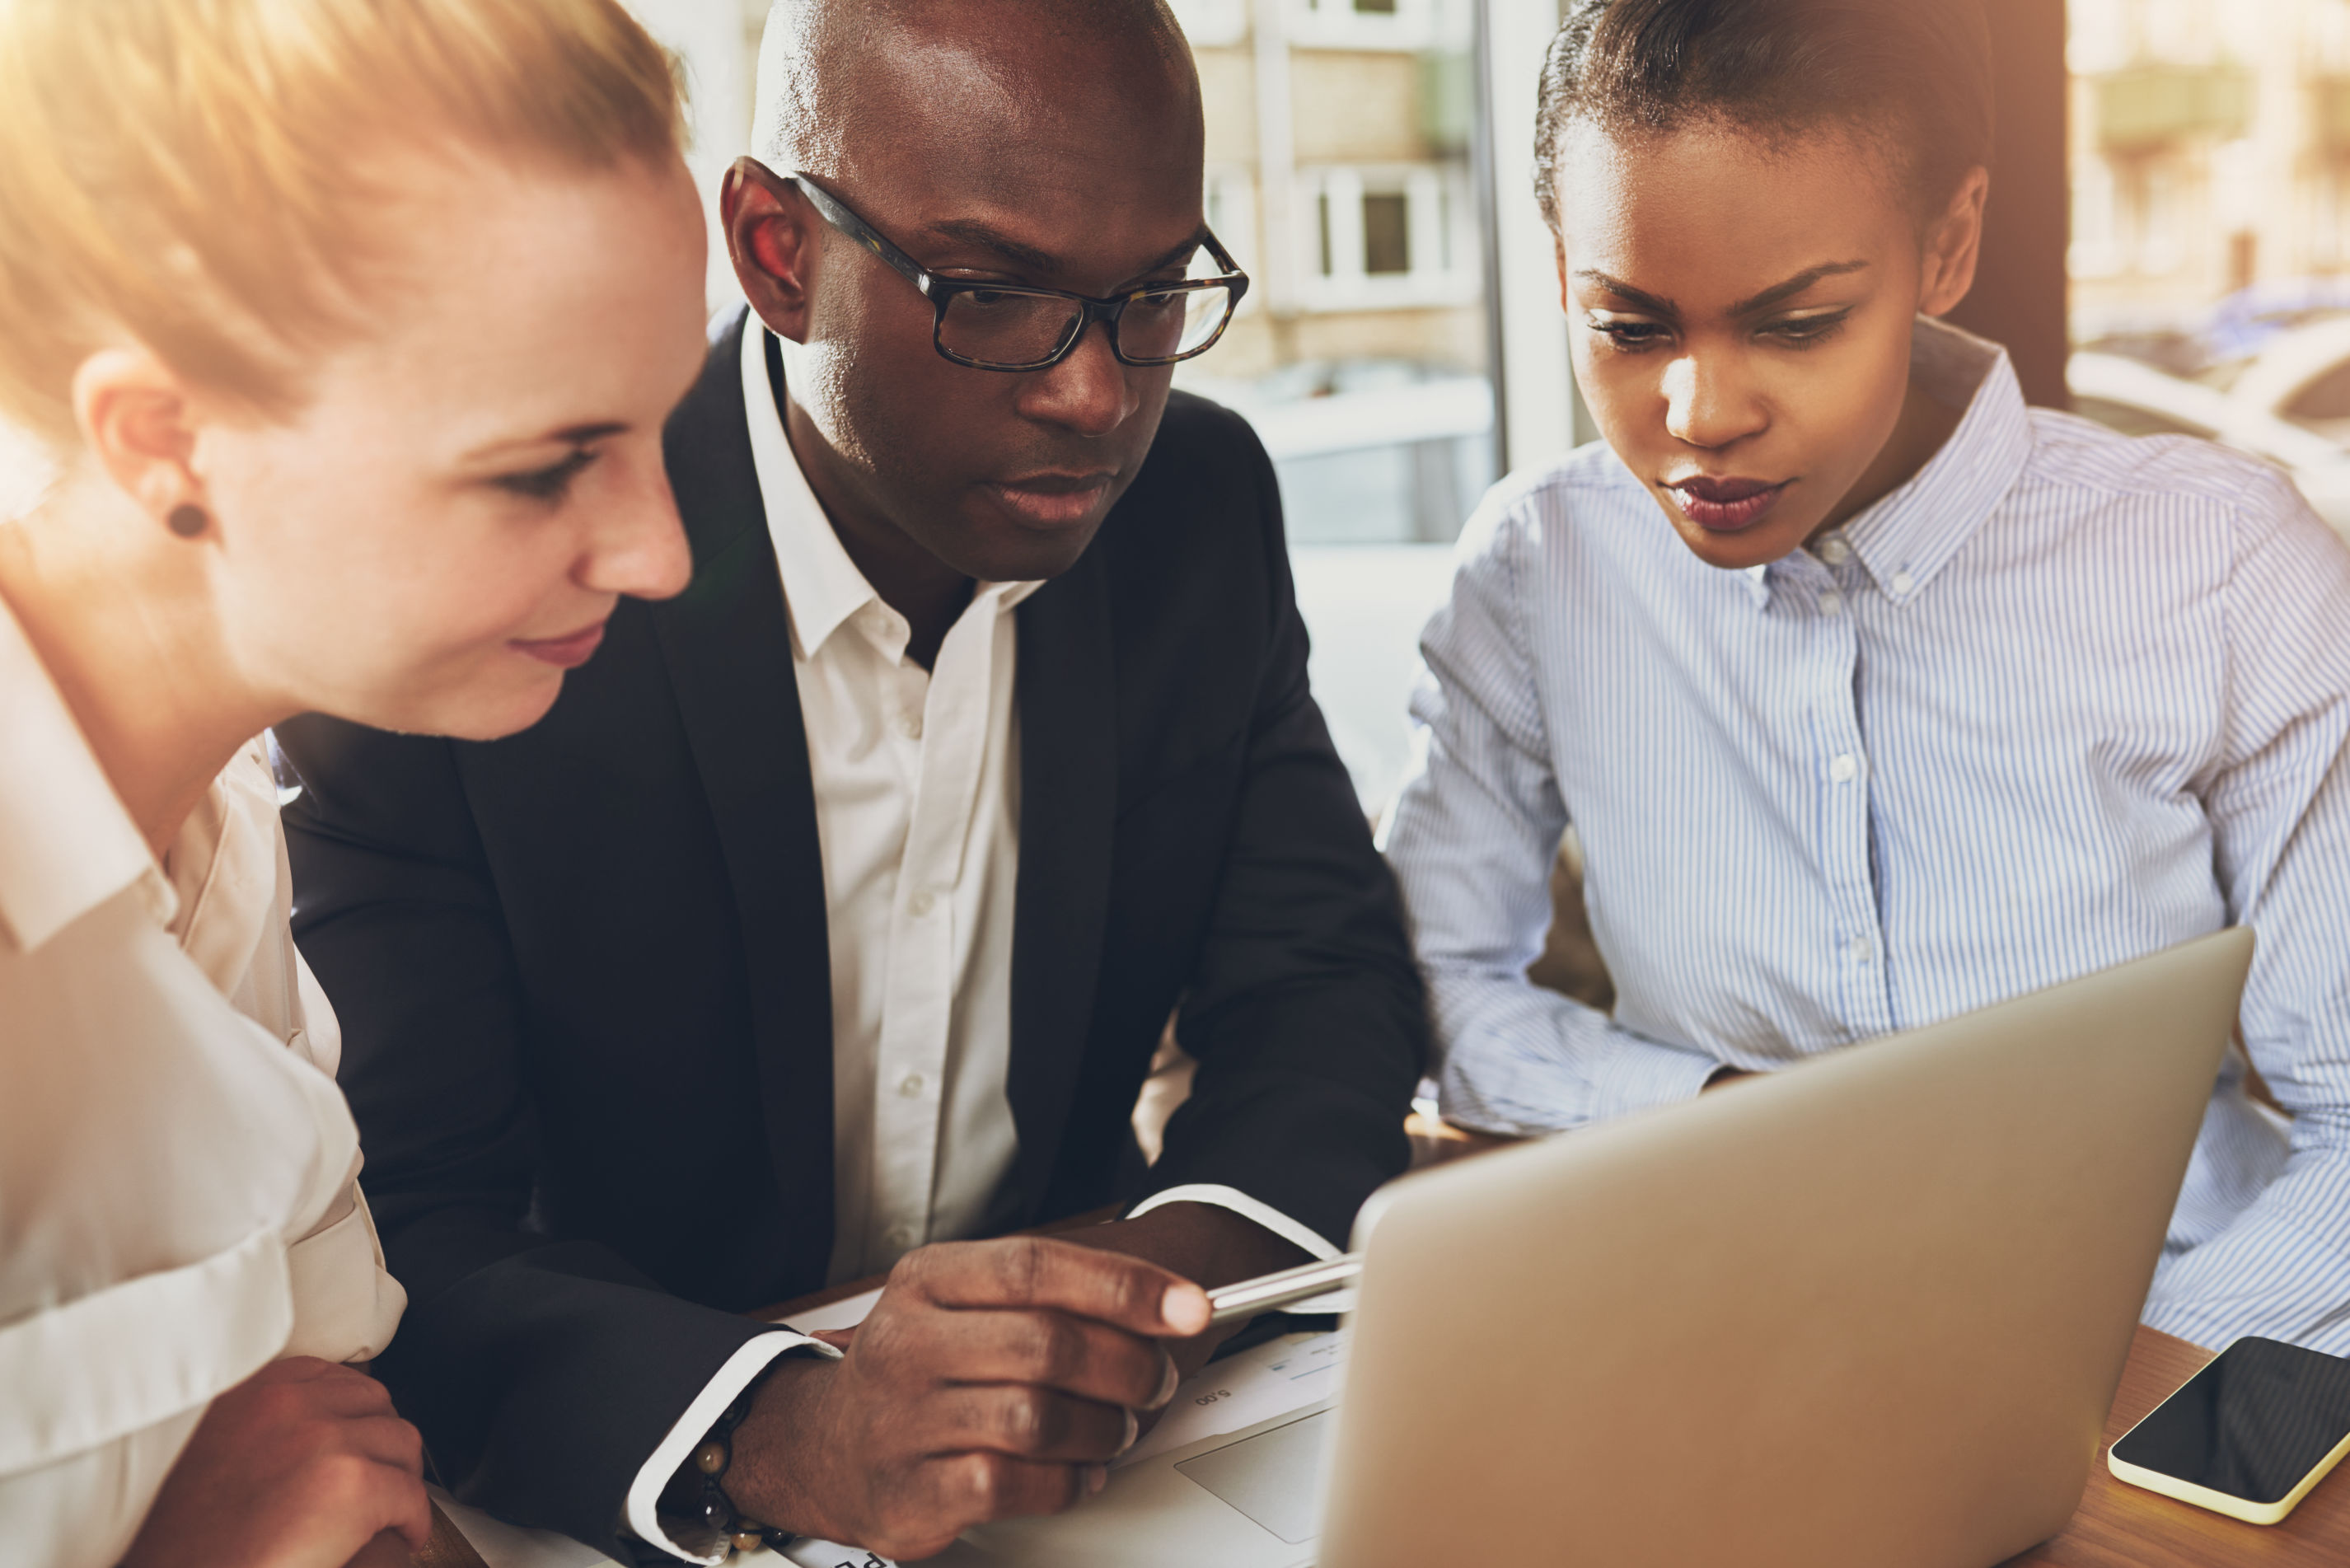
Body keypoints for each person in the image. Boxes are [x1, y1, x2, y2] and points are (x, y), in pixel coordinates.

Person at [273, 0, 1428, 1561]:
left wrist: (1163, 1286)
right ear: (772, 248)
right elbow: (396, 1222)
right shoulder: (501, 578)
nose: (1097, 394)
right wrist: (772, 1423)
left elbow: (1321, 985)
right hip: (620, 1489)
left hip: (1115, 1471)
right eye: (998, 294)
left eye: (1153, 292)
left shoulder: (1198, 503)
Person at [1385, 0, 2350, 1357]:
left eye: (1798, 324)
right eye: (1629, 325)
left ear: (1947, 245)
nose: (1703, 417)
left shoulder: (2226, 564)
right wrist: (1739, 1120)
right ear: (1559, 271)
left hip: (2167, 1332)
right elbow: (1427, 983)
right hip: (1724, 1328)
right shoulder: (1540, 565)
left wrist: (2107, 1406)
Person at [0, 1, 708, 1564]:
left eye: (665, 427)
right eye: (542, 468)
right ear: (166, 437)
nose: (661, 552)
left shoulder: (227, 831)